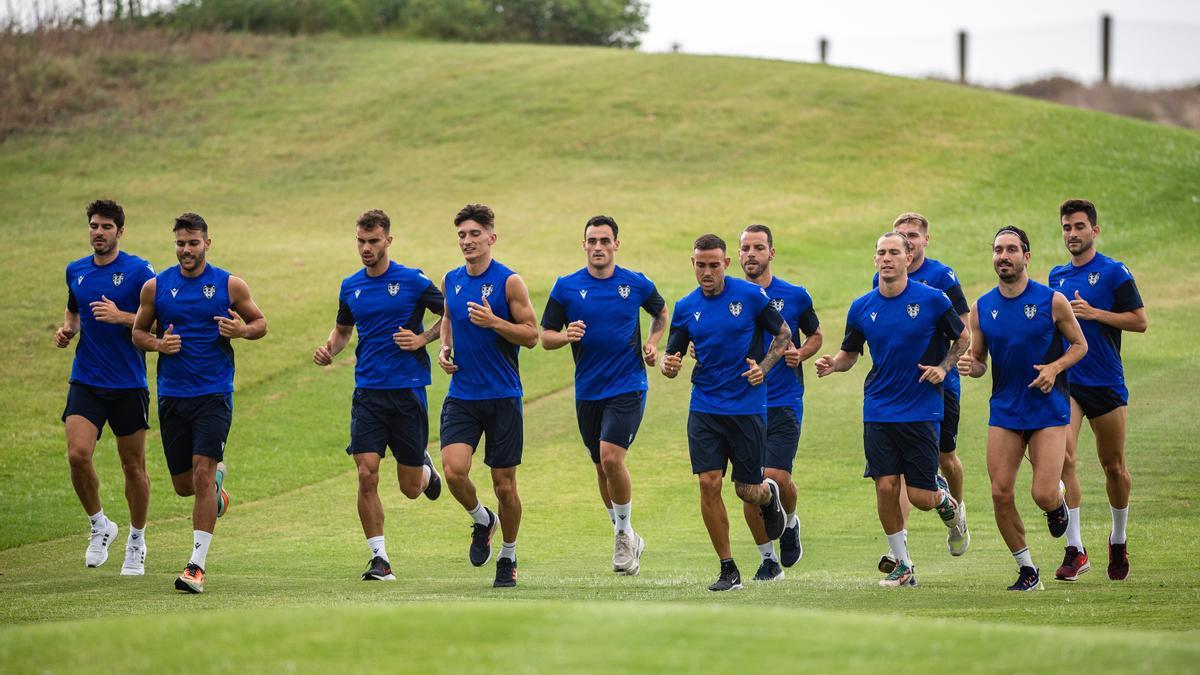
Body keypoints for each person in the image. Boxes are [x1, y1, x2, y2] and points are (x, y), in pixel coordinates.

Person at [815, 232, 967, 588]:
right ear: (875, 261)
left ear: (907, 257)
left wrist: (944, 368)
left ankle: (946, 501)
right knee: (885, 486)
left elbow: (963, 339)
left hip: (921, 408)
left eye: (893, 252)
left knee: (921, 497)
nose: (886, 258)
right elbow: (850, 353)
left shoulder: (933, 300)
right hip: (879, 409)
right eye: (880, 253)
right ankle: (903, 564)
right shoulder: (862, 307)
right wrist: (833, 365)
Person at [132, 213, 267, 593]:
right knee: (185, 485)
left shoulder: (229, 284)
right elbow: (138, 332)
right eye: (180, 243)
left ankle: (196, 566)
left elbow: (260, 323)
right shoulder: (155, 288)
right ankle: (216, 493)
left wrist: (241, 330)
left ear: (208, 243)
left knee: (203, 472)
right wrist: (159, 344)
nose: (186, 250)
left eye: (193, 243)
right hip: (173, 396)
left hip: (214, 394)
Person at [313, 209, 445, 582]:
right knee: (366, 473)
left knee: (409, 489)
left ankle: (424, 469)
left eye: (373, 241)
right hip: (368, 392)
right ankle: (379, 558)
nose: (366, 248)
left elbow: (451, 311)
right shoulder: (350, 285)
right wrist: (329, 350)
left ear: (388, 240)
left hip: (407, 392)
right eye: (360, 241)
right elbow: (342, 331)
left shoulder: (413, 281)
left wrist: (422, 338)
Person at [960, 226, 1087, 591]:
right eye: (998, 249)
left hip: (1047, 409)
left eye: (1011, 249)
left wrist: (1054, 368)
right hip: (1005, 410)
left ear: (1026, 257)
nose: (1003, 256)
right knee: (1000, 492)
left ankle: (1057, 502)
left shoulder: (1052, 301)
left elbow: (1079, 346)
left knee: (1043, 494)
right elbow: (981, 360)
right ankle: (1027, 570)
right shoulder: (982, 307)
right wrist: (972, 366)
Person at [540, 215, 668, 576]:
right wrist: (566, 336)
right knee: (600, 466)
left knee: (611, 458)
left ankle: (623, 534)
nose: (598, 247)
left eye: (604, 241)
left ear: (616, 245)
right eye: (592, 241)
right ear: (583, 245)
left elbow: (660, 312)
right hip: (588, 390)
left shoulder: (635, 283)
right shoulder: (566, 287)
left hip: (628, 385)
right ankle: (625, 533)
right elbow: (545, 335)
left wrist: (652, 343)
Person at [661, 233, 790, 592]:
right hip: (704, 407)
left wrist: (764, 367)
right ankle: (728, 568)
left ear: (726, 264)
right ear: (693, 264)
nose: (707, 271)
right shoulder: (686, 307)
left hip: (746, 407)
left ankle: (769, 494)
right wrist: (668, 367)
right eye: (700, 265)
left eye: (714, 265)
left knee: (746, 490)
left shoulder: (749, 296)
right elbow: (673, 356)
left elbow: (783, 334)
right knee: (708, 483)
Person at [437, 204, 539, 588]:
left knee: (504, 485)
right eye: (462, 235)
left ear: (491, 238)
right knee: (453, 471)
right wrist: (444, 348)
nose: (467, 241)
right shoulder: (451, 279)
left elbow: (532, 335)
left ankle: (508, 555)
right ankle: (482, 519)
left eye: (474, 234)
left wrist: (494, 321)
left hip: (502, 396)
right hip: (463, 395)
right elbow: (448, 317)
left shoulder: (509, 282)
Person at [1049, 199, 1147, 582]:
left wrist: (1094, 314)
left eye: (1078, 227)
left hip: (1106, 383)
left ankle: (1118, 539)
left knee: (1114, 466)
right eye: (1066, 228)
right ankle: (1075, 549)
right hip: (1069, 382)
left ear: (1094, 230)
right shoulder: (1055, 277)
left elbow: (1139, 321)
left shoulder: (1113, 272)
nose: (1072, 234)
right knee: (1063, 458)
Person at [56, 199, 155, 575]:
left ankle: (136, 539)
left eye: (107, 227)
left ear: (120, 232)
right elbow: (75, 309)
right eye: (94, 226)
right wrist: (69, 329)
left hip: (128, 383)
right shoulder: (76, 271)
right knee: (78, 455)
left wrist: (122, 317)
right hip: (87, 379)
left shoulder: (139, 272)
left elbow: (158, 324)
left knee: (133, 467)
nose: (99, 233)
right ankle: (100, 526)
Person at [872, 213, 972, 569]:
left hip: (939, 387)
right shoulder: (882, 276)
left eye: (913, 235)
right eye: (901, 235)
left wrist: (947, 364)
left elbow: (963, 322)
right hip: (896, 394)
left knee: (946, 457)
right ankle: (898, 549)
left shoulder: (941, 276)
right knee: (893, 473)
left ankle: (957, 514)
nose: (907, 240)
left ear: (925, 240)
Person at [736, 224, 822, 581]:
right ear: (737, 255)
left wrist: (801, 352)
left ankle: (789, 523)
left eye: (758, 247)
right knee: (748, 488)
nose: (751, 254)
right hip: (741, 405)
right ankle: (768, 559)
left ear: (772, 252)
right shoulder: (729, 296)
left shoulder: (795, 295)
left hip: (784, 400)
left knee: (776, 477)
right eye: (745, 248)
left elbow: (816, 334)